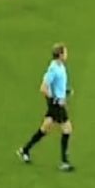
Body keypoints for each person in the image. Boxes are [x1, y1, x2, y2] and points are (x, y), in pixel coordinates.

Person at [18, 43, 73, 171]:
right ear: (60, 55)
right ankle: (64, 162)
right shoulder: (53, 69)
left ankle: (25, 150)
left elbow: (57, 85)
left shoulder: (60, 66)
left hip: (57, 103)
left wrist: (65, 91)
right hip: (56, 105)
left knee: (45, 129)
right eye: (65, 52)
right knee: (67, 129)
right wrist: (55, 100)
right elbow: (43, 88)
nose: (67, 54)